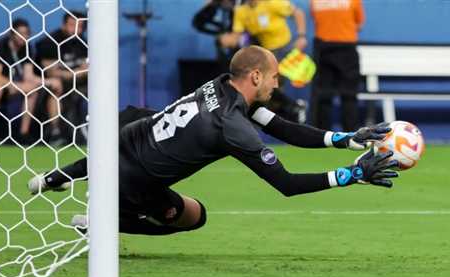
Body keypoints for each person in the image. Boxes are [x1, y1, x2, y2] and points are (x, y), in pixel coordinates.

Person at [28, 45, 398, 236]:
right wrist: (351, 175)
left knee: (135, 135)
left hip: (119, 143)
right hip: (134, 184)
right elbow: (286, 184)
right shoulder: (231, 127)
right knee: (194, 217)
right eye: (273, 78)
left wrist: (347, 139)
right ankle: (104, 220)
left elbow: (283, 128)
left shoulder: (221, 86)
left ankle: (57, 180)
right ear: (255, 76)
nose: (277, 85)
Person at [218, 0, 308, 123]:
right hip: (267, 52)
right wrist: (225, 40)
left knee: (264, 86)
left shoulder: (273, 3)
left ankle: (294, 108)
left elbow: (298, 13)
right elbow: (236, 36)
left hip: (285, 50)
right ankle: (294, 108)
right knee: (266, 95)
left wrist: (301, 36)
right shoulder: (241, 11)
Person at [0, 19, 62, 145]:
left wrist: (48, 81)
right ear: (12, 34)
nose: (24, 36)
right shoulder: (0, 47)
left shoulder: (27, 48)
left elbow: (28, 76)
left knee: (32, 90)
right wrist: (15, 85)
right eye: (21, 33)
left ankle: (23, 133)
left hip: (9, 85)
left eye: (27, 33)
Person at [310, 0, 365, 132]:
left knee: (323, 94)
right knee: (349, 94)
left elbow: (316, 19)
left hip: (323, 47)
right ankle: (351, 134)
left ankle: (321, 134)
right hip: (346, 47)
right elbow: (359, 24)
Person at [34, 11, 88, 145]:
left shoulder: (82, 42)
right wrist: (77, 72)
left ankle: (92, 130)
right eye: (73, 25)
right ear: (64, 24)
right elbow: (52, 73)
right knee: (57, 85)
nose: (77, 29)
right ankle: (55, 132)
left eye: (80, 26)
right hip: (47, 84)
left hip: (77, 83)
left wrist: (79, 72)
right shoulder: (49, 42)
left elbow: (87, 68)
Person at [192, 0, 237, 66]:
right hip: (224, 48)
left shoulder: (239, 8)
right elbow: (197, 23)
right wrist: (218, 32)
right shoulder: (213, 7)